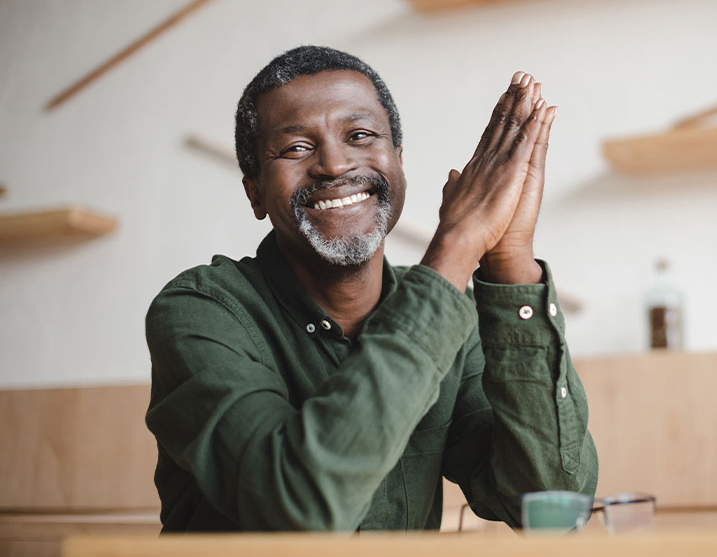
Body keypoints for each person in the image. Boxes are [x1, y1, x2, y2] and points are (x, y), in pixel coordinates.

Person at [145, 46, 598, 532]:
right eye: (296, 147)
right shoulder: (201, 311)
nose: (335, 165)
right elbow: (297, 505)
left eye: (360, 135)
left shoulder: (455, 323)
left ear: (398, 163)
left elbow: (549, 504)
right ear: (254, 190)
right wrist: (457, 246)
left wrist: (509, 260)